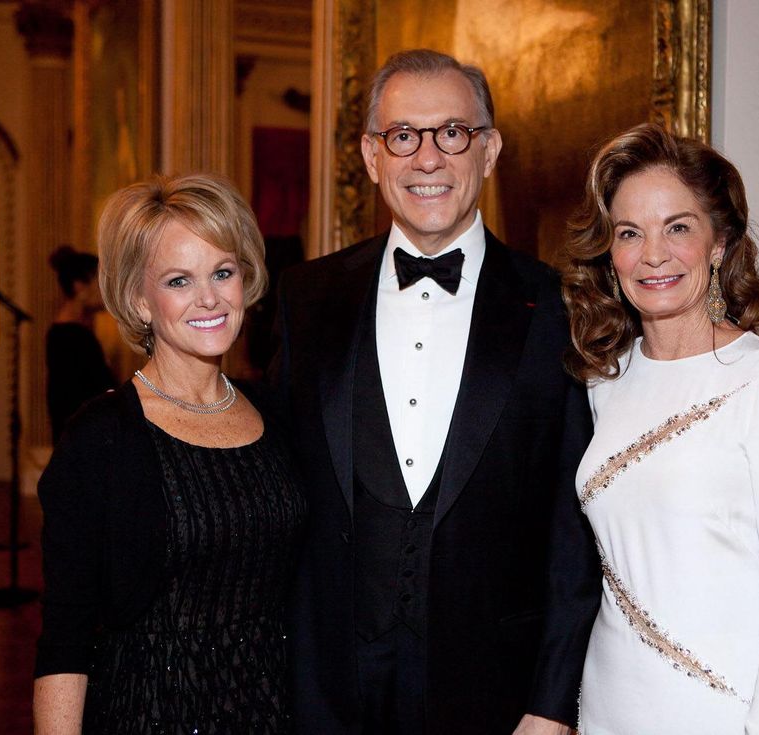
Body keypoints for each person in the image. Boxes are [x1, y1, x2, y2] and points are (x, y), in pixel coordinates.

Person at [271, 49, 601, 735]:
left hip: (494, 694)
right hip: (327, 690)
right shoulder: (303, 298)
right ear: (370, 155)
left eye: (453, 132)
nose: (428, 158)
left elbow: (574, 531)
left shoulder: (559, 307)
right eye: (403, 136)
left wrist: (551, 702)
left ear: (489, 150)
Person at [563, 123, 759, 734]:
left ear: (719, 242)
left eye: (678, 227)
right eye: (630, 233)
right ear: (610, 251)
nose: (653, 254)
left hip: (719, 712)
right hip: (605, 705)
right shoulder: (604, 381)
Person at [33, 173, 306, 734]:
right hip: (151, 714)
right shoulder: (101, 440)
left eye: (223, 273)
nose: (209, 298)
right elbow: (66, 634)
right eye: (179, 280)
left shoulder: (278, 415)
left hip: (274, 713)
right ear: (138, 298)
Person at [46, 245, 116, 443]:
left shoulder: (66, 332)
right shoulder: (73, 337)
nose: (106, 293)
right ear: (79, 286)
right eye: (100, 284)